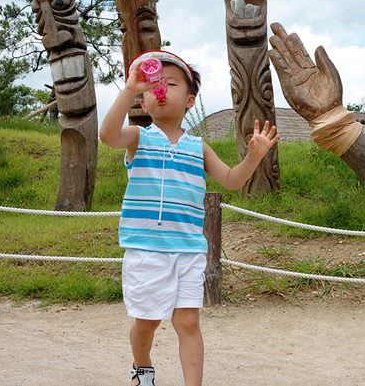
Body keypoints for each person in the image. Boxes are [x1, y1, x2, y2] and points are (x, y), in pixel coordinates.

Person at [99, 50, 279, 386]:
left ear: (190, 100)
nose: (160, 89)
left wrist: (253, 157)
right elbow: (108, 135)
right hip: (146, 249)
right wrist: (129, 90)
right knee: (147, 323)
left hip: (189, 249)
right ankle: (142, 367)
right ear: (144, 100)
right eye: (152, 85)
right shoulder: (139, 139)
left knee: (187, 322)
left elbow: (231, 180)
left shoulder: (199, 147)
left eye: (170, 83)